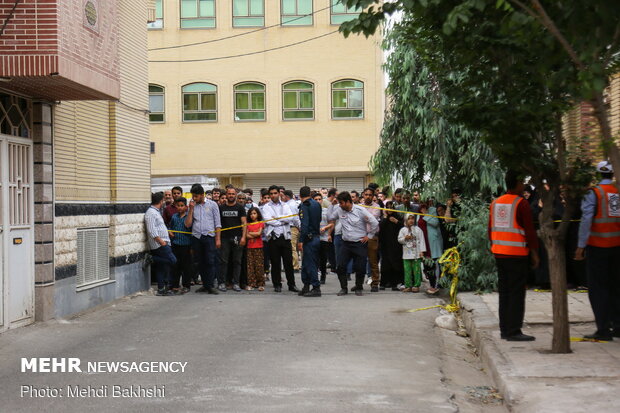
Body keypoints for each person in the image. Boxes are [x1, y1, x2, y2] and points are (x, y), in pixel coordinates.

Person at [489, 171, 540, 341]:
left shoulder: (495, 203)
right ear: (517, 183)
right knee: (517, 293)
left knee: (504, 293)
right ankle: (514, 331)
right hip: (517, 254)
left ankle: (505, 330)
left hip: (499, 253)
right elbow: (529, 232)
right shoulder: (521, 203)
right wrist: (534, 253)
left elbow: (490, 230)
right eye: (522, 182)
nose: (524, 185)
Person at [574, 161, 620, 341]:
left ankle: (603, 329)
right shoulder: (616, 192)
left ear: (597, 174)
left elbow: (586, 220)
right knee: (616, 286)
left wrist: (580, 246)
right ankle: (617, 325)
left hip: (598, 246)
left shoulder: (594, 193)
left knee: (598, 289)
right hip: (617, 247)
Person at [328, 191, 379, 296]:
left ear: (348, 202)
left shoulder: (360, 210)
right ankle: (344, 288)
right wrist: (331, 206)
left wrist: (369, 236)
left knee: (360, 267)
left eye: (341, 203)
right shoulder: (339, 210)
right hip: (346, 243)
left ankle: (359, 287)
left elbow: (374, 222)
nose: (340, 205)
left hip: (359, 243)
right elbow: (330, 218)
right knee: (340, 266)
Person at [262, 185, 300, 292]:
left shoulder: (285, 205)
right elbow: (268, 220)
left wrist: (278, 219)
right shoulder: (266, 207)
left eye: (275, 193)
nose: (273, 195)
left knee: (288, 263)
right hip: (273, 238)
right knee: (275, 263)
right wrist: (282, 220)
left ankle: (291, 285)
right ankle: (277, 284)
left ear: (279, 194)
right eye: (271, 194)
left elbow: (290, 217)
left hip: (285, 237)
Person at [185, 184, 221, 294]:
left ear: (202, 195)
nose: (194, 198)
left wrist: (218, 239)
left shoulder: (213, 205)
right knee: (199, 262)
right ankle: (204, 284)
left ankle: (210, 285)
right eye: (193, 196)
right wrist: (190, 209)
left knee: (210, 261)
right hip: (196, 237)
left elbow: (217, 223)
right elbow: (187, 224)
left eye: (196, 196)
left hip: (209, 237)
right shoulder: (192, 205)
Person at [145, 192, 177, 296]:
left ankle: (162, 288)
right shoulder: (150, 213)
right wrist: (161, 241)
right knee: (172, 260)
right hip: (159, 244)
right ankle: (151, 259)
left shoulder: (156, 211)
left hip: (164, 242)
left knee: (162, 267)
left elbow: (158, 227)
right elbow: (151, 230)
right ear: (161, 201)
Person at [219, 187, 247, 292]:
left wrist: (243, 237)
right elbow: (218, 225)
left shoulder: (240, 208)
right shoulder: (221, 208)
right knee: (223, 261)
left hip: (237, 238)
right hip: (224, 238)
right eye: (229, 194)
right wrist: (218, 239)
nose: (231, 195)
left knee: (237, 261)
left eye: (232, 194)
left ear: (235, 195)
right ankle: (222, 283)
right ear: (226, 195)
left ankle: (236, 283)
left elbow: (244, 223)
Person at [298, 186, 322, 297]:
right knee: (307, 263)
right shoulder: (317, 204)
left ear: (300, 195)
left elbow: (305, 224)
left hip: (309, 238)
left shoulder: (304, 205)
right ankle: (306, 286)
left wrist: (301, 240)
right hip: (316, 236)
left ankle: (316, 288)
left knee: (310, 264)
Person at [168, 197, 193, 294]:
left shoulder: (189, 217)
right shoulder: (174, 217)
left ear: (186, 207)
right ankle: (175, 285)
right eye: (178, 206)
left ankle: (186, 285)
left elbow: (190, 228)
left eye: (182, 206)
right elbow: (171, 227)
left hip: (186, 245)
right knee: (175, 266)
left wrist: (192, 247)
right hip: (175, 244)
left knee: (186, 266)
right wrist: (170, 232)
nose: (180, 208)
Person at [398, 214, 427, 292]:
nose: (411, 220)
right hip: (406, 254)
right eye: (409, 219)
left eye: (412, 219)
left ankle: (416, 285)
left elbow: (422, 240)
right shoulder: (403, 230)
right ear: (406, 220)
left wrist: (422, 251)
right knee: (407, 270)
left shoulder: (418, 229)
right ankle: (408, 286)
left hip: (416, 254)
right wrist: (405, 238)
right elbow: (399, 240)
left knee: (416, 270)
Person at [379, 201, 404, 290]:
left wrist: (396, 221)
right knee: (385, 264)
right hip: (385, 245)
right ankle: (383, 283)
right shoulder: (384, 218)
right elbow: (380, 228)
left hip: (396, 245)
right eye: (388, 207)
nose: (390, 209)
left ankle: (394, 283)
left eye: (391, 207)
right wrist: (385, 217)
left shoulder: (398, 217)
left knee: (395, 263)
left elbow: (403, 227)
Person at [361, 187, 381, 292]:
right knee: (359, 261)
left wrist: (364, 217)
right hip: (360, 237)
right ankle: (359, 284)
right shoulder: (358, 207)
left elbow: (373, 220)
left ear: (373, 196)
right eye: (366, 194)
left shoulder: (377, 207)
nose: (368, 196)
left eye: (370, 195)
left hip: (372, 236)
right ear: (363, 195)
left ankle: (375, 283)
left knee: (373, 261)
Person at [423, 203, 444, 295]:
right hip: (424, 241)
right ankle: (432, 284)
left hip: (434, 241)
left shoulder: (432, 210)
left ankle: (437, 285)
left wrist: (425, 215)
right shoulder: (418, 210)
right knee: (428, 265)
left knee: (436, 264)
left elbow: (435, 222)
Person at [313, 192, 333, 285]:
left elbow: (331, 223)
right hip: (314, 237)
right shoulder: (311, 210)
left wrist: (326, 230)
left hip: (324, 237)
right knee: (314, 258)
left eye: (319, 199)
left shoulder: (326, 210)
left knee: (323, 258)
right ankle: (315, 275)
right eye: (316, 199)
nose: (318, 201)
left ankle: (323, 276)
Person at [246, 207, 266, 291]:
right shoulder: (247, 224)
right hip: (249, 247)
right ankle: (251, 283)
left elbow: (259, 233)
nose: (252, 215)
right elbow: (246, 235)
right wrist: (253, 234)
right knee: (250, 266)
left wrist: (250, 234)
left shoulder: (261, 223)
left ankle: (260, 283)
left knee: (259, 266)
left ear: (258, 214)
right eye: (251, 214)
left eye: (254, 213)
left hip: (258, 247)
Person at [283, 189, 302, 272]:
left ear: (286, 196)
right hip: (295, 227)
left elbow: (295, 218)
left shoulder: (290, 205)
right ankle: (296, 265)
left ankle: (295, 266)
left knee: (292, 248)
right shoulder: (294, 203)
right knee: (296, 248)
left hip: (293, 227)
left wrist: (298, 227)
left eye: (282, 196)